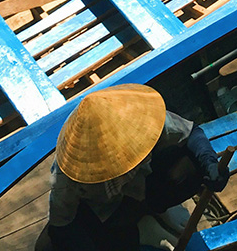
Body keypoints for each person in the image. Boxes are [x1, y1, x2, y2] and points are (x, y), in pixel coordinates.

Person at [41, 84, 226, 251]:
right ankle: (142, 230)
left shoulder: (141, 122)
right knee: (50, 247)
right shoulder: (66, 177)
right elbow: (62, 226)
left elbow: (191, 133)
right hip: (106, 212)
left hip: (145, 185)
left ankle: (158, 210)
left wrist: (210, 163)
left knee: (192, 164)